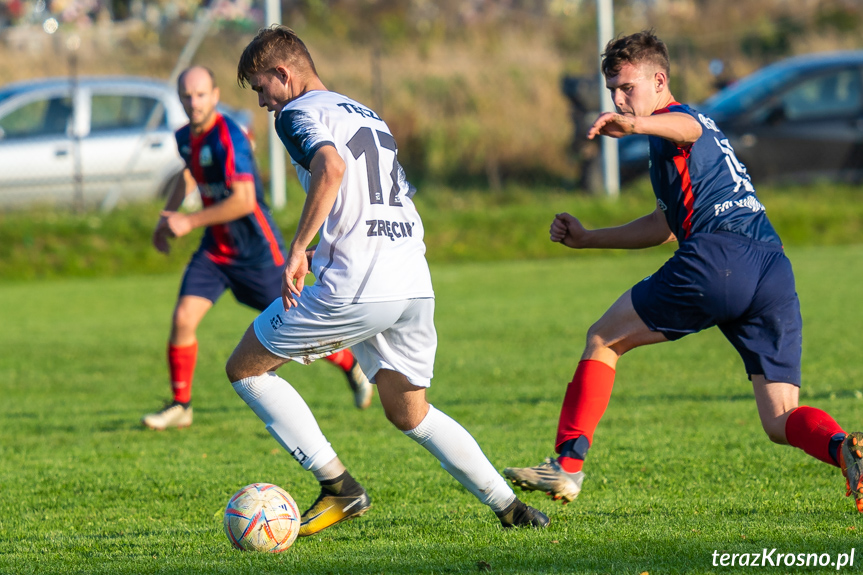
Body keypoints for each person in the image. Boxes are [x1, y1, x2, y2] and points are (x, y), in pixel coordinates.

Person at [503, 31, 863, 512]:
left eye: (627, 87)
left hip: (721, 259)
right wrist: (590, 238)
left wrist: (635, 128)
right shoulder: (684, 137)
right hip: (772, 268)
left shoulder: (687, 121)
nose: (618, 99)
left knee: (604, 339)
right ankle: (845, 449)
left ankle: (566, 465)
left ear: (659, 80)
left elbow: (685, 129)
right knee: (781, 417)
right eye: (612, 88)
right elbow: (662, 226)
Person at [226, 25, 548, 535]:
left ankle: (339, 487)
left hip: (359, 278)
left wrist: (299, 247)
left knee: (246, 368)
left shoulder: (296, 113)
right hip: (412, 277)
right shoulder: (363, 112)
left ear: (282, 74)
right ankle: (513, 509)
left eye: (259, 86)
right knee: (410, 412)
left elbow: (329, 167)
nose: (262, 101)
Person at [142, 66, 372, 431]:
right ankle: (181, 405)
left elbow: (245, 201)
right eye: (186, 96)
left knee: (293, 329)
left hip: (256, 253)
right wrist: (166, 218)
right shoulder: (185, 136)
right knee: (183, 319)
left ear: (215, 96)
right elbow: (190, 172)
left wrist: (188, 221)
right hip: (216, 251)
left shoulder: (229, 136)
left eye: (200, 95)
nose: (193, 103)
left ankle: (349, 363)